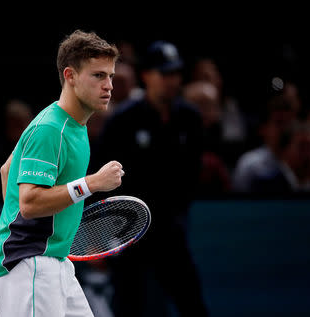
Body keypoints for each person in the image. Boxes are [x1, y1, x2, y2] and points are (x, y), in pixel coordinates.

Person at [0, 29, 122, 317]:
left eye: (110, 75)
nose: (109, 85)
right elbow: (30, 203)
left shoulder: (75, 125)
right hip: (30, 263)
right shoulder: (50, 129)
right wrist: (92, 183)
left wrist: (12, 229)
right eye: (98, 75)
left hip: (51, 261)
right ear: (70, 76)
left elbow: (7, 169)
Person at [95, 40, 209, 317]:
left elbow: (192, 176)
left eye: (175, 73)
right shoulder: (123, 121)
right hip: (129, 235)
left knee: (193, 306)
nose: (172, 81)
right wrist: (103, 237)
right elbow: (100, 180)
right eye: (164, 73)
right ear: (146, 75)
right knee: (128, 308)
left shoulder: (190, 119)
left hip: (172, 234)